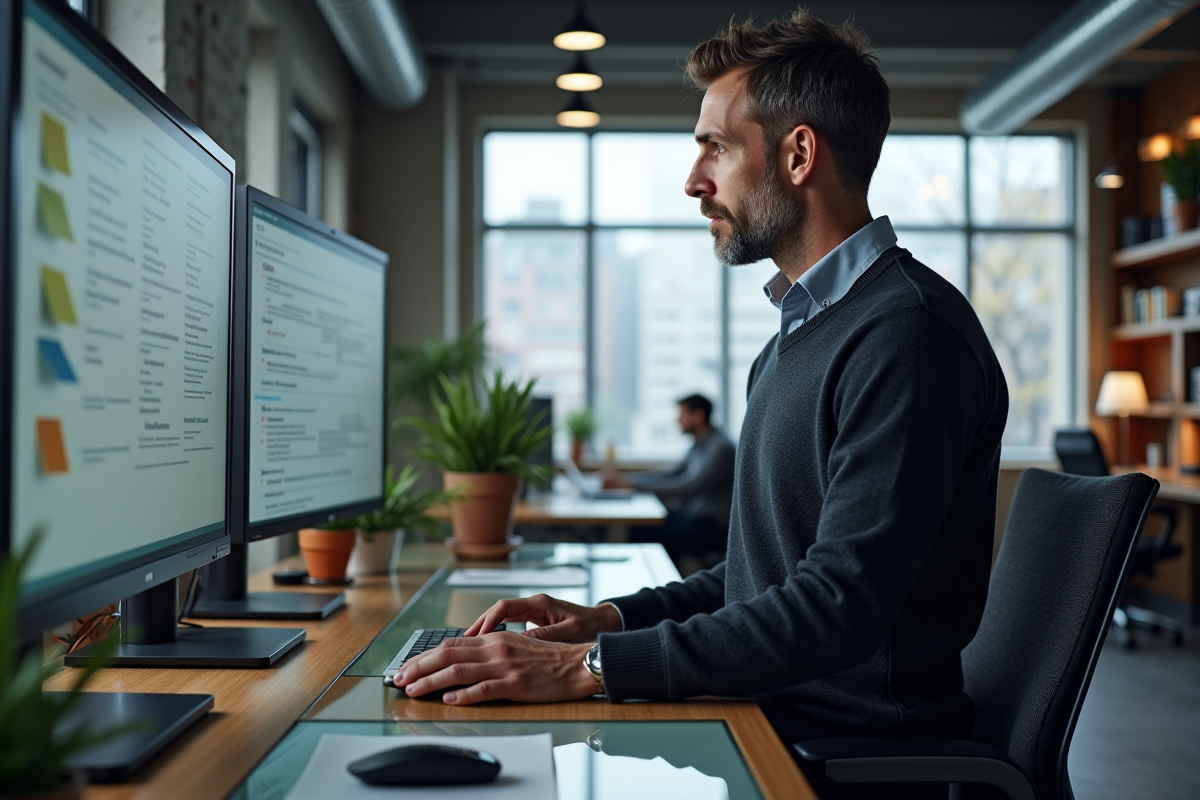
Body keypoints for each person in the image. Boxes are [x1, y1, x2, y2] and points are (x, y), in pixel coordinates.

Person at [393, 9, 1008, 794]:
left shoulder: (906, 335)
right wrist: (605, 624)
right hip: (762, 719)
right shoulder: (794, 338)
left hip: (833, 760)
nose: (694, 179)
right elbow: (763, 577)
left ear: (797, 153)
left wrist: (587, 669)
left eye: (715, 146)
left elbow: (836, 608)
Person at [602, 394, 735, 563]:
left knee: (644, 532)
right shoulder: (700, 443)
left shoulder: (720, 448)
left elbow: (689, 487)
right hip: (695, 515)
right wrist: (626, 480)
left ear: (698, 415)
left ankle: (665, 584)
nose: (677, 420)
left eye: (682, 414)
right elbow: (671, 473)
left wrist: (631, 485)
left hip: (713, 525)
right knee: (639, 525)